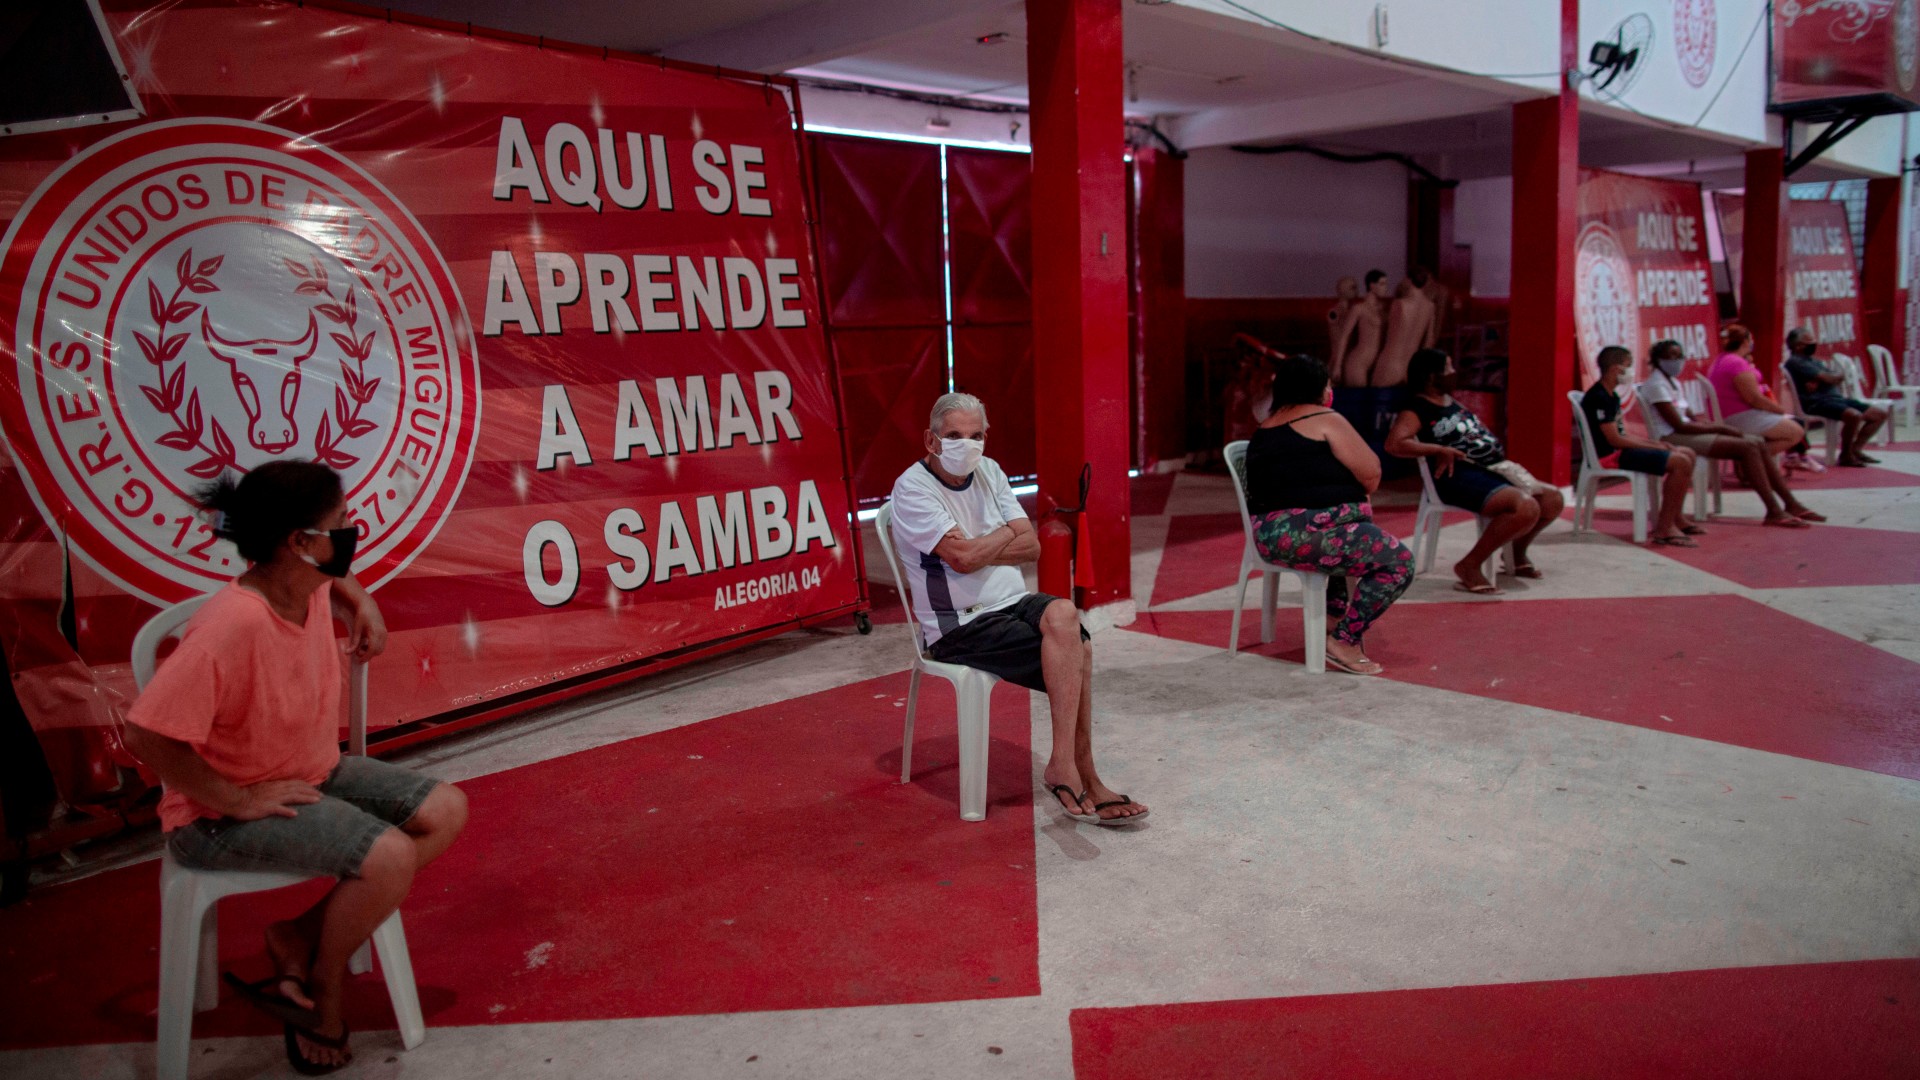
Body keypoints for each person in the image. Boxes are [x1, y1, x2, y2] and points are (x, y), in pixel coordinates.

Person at [122, 461, 468, 1074]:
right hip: (216, 816)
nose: (350, 533)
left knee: (446, 809)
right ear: (299, 544)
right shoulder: (231, 626)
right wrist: (236, 799)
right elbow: (146, 733)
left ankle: (301, 939)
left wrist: (361, 599)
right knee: (387, 856)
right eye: (340, 526)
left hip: (310, 771)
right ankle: (325, 987)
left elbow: (336, 579)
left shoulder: (302, 583)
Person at [889, 393, 1147, 826]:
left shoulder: (988, 471)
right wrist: (1005, 533)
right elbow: (964, 559)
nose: (965, 444)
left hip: (1011, 602)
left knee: (1065, 613)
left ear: (986, 437)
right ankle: (1083, 772)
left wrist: (984, 544)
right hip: (960, 622)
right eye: (953, 436)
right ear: (931, 441)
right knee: (1077, 649)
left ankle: (1063, 763)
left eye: (975, 436)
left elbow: (1032, 546)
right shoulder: (912, 488)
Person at [1243, 353, 1413, 675]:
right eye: (1328, 383)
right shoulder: (1325, 418)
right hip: (1304, 535)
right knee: (1398, 562)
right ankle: (1344, 641)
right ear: (1320, 388)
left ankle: (1334, 617)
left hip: (1271, 536)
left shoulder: (1266, 426)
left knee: (1346, 529)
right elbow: (1371, 473)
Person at [1385, 348, 1566, 594]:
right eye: (1448, 368)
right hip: (1456, 477)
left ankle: (1516, 553)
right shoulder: (1416, 409)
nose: (1453, 373)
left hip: (1489, 470)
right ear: (1431, 376)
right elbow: (1395, 444)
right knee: (1526, 507)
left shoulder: (1451, 401)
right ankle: (1469, 566)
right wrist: (1438, 449)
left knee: (1552, 498)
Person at [1635, 339, 1820, 528]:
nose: (1677, 360)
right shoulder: (1656, 384)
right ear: (1658, 359)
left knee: (1757, 442)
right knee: (1747, 446)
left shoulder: (1672, 381)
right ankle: (1773, 510)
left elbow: (1688, 416)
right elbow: (1679, 426)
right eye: (1671, 356)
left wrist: (1708, 426)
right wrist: (1719, 428)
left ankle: (1790, 503)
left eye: (1679, 356)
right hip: (1671, 436)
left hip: (1688, 431)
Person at [1579, 346, 1702, 546]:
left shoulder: (1612, 395)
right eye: (1628, 366)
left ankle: (1676, 517)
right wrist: (1655, 448)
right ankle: (1664, 528)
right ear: (1615, 369)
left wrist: (1655, 444)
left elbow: (1622, 434)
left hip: (1620, 451)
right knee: (1680, 462)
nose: (1631, 371)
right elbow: (1615, 440)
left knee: (1687, 453)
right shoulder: (1598, 397)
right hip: (1611, 456)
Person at [1784, 326, 1887, 467]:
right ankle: (1845, 455)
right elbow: (1830, 378)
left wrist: (1824, 378)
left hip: (1837, 399)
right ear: (1798, 346)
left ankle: (1855, 449)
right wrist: (1826, 378)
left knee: (1879, 414)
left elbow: (1836, 376)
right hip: (1817, 403)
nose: (1814, 343)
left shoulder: (1814, 361)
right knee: (1853, 415)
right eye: (1809, 342)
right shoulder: (1796, 362)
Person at [1705, 323, 1807, 459]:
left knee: (1791, 424)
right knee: (1796, 432)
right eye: (1751, 340)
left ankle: (1756, 460)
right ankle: (1750, 459)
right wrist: (1778, 409)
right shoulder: (1735, 363)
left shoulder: (1723, 359)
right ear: (1746, 341)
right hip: (1738, 417)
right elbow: (1754, 399)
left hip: (1733, 415)